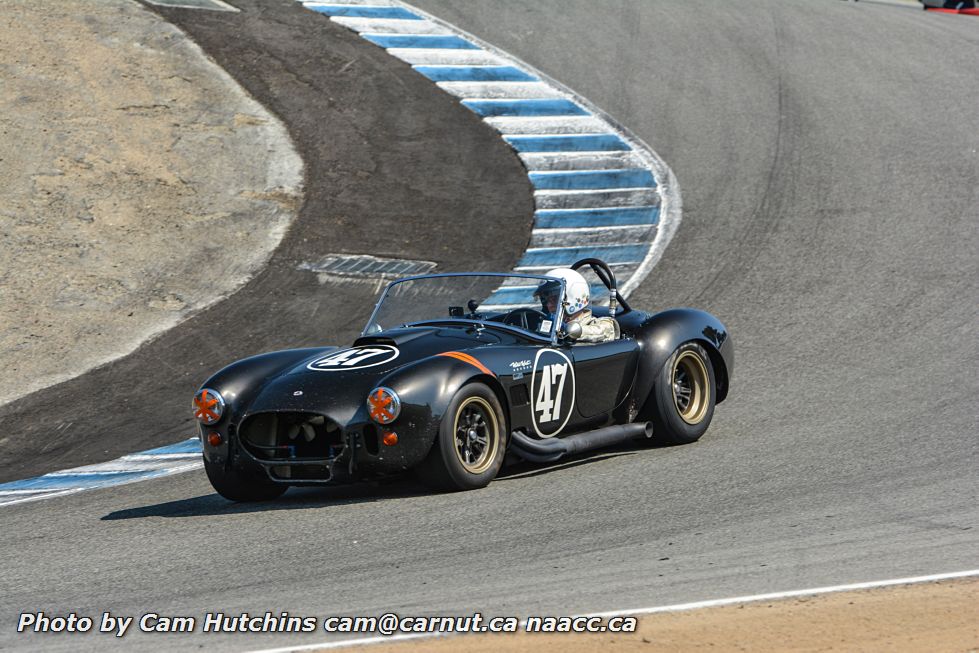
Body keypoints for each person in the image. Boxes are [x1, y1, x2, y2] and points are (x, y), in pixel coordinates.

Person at [534, 268, 619, 343]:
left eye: (554, 299)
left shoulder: (601, 324)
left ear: (574, 297)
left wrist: (566, 329)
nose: (549, 305)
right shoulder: (545, 324)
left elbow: (604, 331)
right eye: (545, 300)